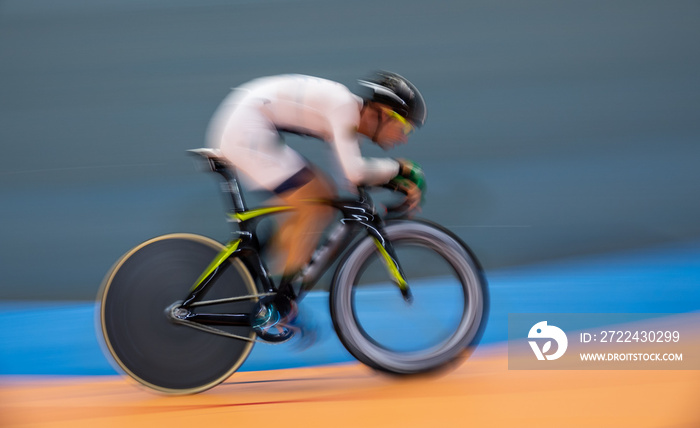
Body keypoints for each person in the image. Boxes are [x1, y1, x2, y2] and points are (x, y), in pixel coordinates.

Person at [206, 71, 427, 333]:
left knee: (318, 198)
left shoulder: (347, 118)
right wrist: (402, 170)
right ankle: (278, 302)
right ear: (383, 112)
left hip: (248, 123)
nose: (403, 138)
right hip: (246, 127)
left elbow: (350, 178)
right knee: (314, 201)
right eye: (403, 127)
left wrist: (391, 181)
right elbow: (353, 172)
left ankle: (263, 285)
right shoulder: (344, 107)